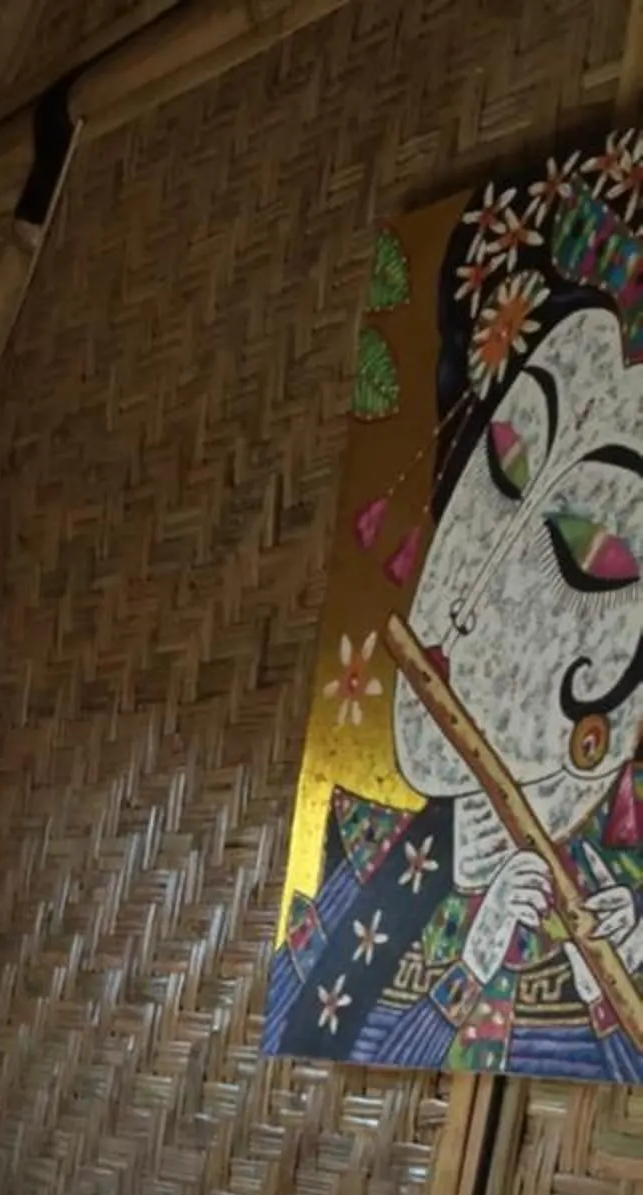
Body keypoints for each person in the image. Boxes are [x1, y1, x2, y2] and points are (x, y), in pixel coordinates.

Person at [267, 148, 643, 1080]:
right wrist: (473, 957)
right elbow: (316, 1011)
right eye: (506, 460)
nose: (467, 601)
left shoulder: (613, 915)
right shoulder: (354, 853)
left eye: (590, 547)